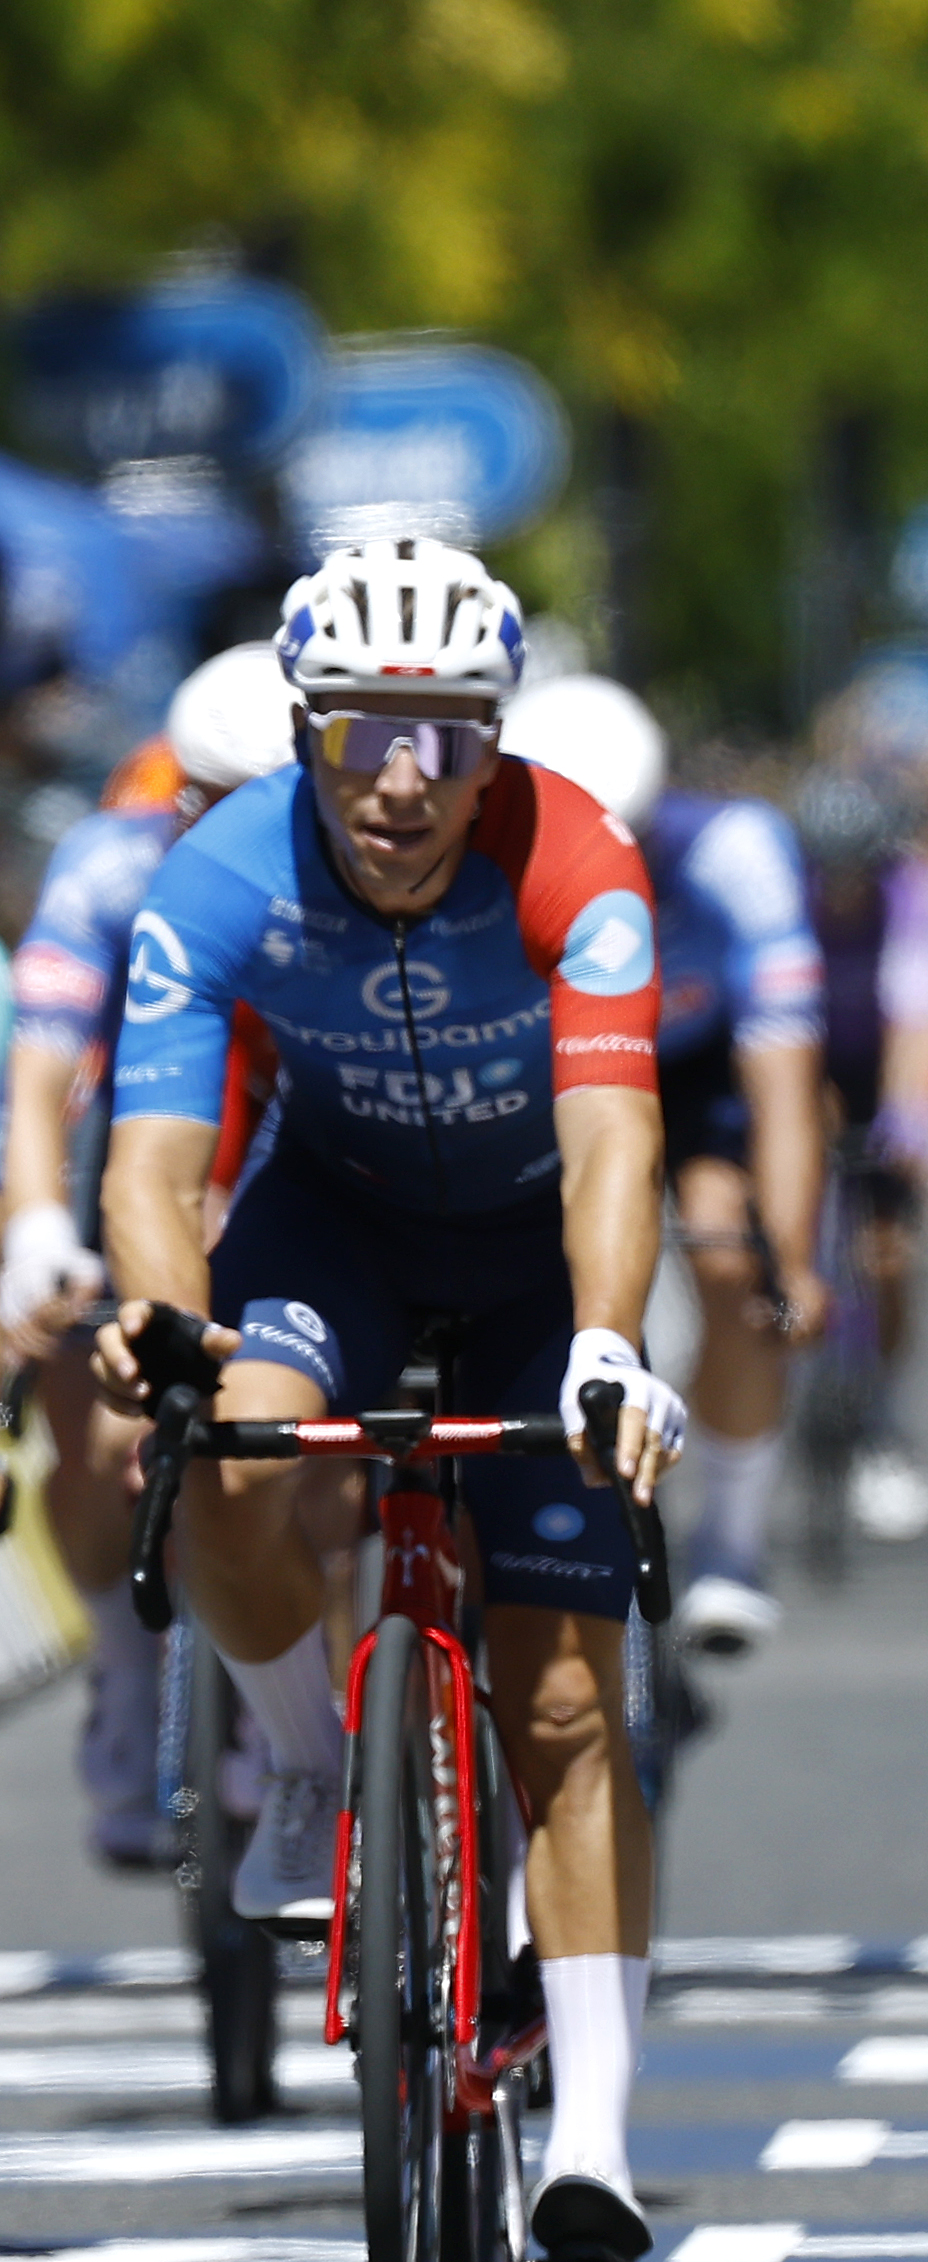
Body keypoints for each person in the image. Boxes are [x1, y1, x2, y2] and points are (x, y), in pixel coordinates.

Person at [89, 538, 685, 2262]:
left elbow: (614, 1133)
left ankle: (594, 2129)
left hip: (533, 1253)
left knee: (561, 1699)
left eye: (445, 736)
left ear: (499, 744)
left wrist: (605, 1339)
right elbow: (154, 1161)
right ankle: (301, 1765)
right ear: (304, 732)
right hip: (332, 1226)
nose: (403, 781)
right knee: (223, 1459)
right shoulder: (216, 869)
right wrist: (169, 1328)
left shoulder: (580, 856)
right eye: (361, 732)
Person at [4, 645, 299, 1870]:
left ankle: (304, 1702)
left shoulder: (353, 866)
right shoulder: (111, 861)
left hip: (285, 1121)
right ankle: (128, 1682)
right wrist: (35, 1228)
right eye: (204, 804)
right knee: (89, 1422)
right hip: (139, 1126)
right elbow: (41, 1068)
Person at [510, 676, 830, 1659]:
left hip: (691, 1070)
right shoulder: (490, 861)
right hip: (552, 1076)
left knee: (733, 1261)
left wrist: (790, 1255)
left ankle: (730, 1543)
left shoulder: (737, 851)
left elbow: (784, 1079)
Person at [795, 768, 928, 1542]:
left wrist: (909, 1120)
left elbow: (918, 1012)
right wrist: (798, 1118)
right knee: (788, 1221)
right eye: (830, 874)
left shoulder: (910, 892)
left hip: (880, 1065)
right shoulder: (788, 894)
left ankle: (884, 1413)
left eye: (856, 872)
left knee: (886, 1256)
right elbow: (776, 1015)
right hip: (803, 1056)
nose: (843, 888)